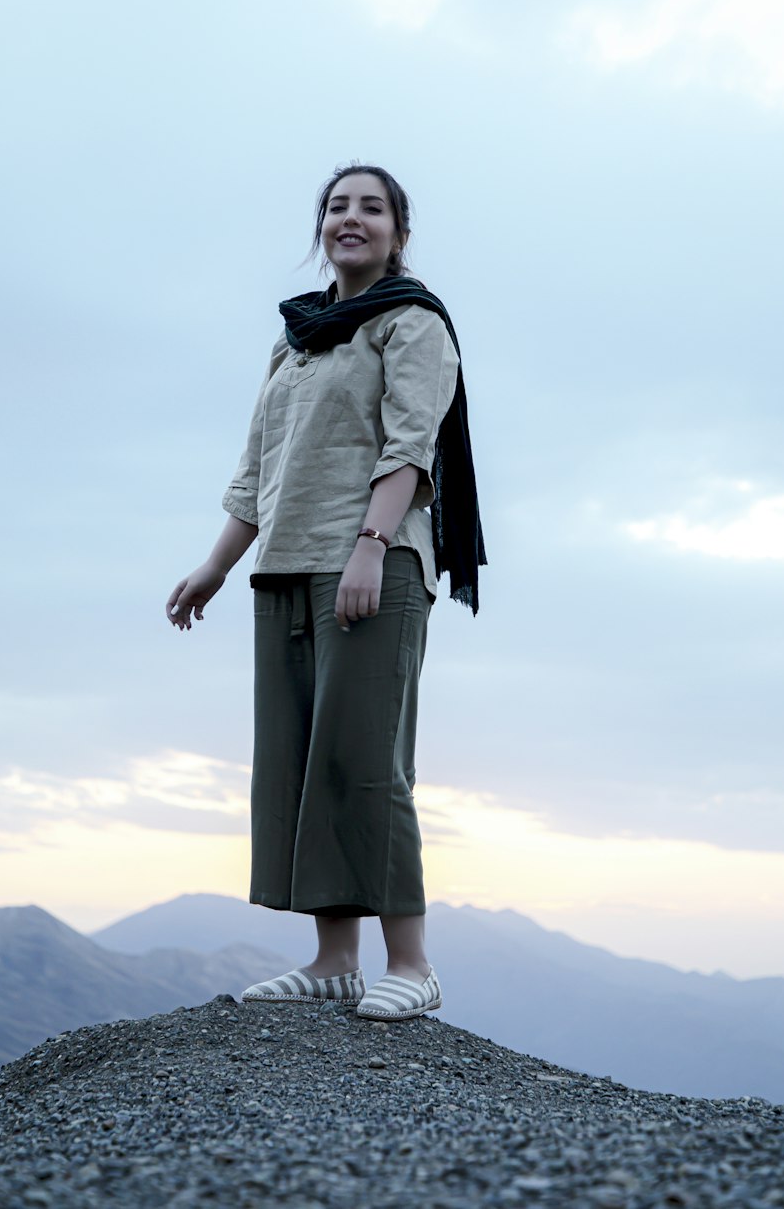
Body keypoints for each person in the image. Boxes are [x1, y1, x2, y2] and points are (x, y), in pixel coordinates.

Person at [166, 163, 485, 1021]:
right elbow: (257, 471)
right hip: (286, 568)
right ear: (322, 228)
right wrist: (217, 564)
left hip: (372, 565)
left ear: (398, 233)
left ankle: (411, 963)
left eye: (370, 208)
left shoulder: (411, 324)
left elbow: (411, 446)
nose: (352, 219)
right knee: (303, 763)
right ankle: (334, 959)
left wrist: (371, 547)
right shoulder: (298, 337)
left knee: (367, 761)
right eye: (337, 207)